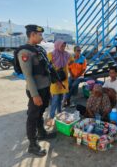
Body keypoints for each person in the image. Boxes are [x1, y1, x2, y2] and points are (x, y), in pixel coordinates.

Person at [17, 25, 56, 157]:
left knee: (41, 112)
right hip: (36, 91)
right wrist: (35, 95)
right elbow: (28, 76)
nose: (42, 37)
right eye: (40, 35)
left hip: (44, 88)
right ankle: (32, 145)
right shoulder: (25, 53)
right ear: (32, 34)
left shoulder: (38, 49)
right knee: (33, 117)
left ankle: (42, 133)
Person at [46, 40, 71, 126]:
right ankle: (51, 117)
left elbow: (72, 60)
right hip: (55, 81)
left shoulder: (66, 54)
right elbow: (49, 69)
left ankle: (59, 114)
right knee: (55, 99)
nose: (63, 48)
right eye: (62, 46)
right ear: (57, 45)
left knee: (60, 99)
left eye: (64, 46)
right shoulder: (51, 55)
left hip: (63, 80)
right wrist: (57, 81)